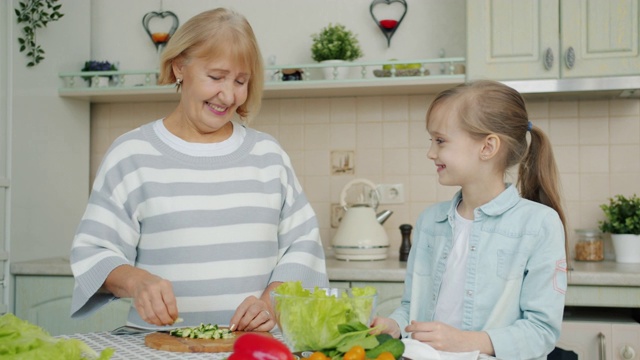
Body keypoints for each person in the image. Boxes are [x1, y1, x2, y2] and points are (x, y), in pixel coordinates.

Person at [69, 8, 328, 332]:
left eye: (241, 81)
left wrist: (270, 304)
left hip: (250, 347)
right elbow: (94, 251)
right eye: (216, 77)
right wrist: (136, 282)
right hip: (154, 345)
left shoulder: (268, 156)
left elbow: (303, 246)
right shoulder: (131, 154)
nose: (228, 94)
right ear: (180, 67)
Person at [371, 80, 568, 360]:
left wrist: (464, 341)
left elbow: (541, 332)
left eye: (440, 140)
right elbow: (412, 309)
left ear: (488, 147)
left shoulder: (539, 225)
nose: (430, 152)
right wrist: (394, 325)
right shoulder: (430, 222)